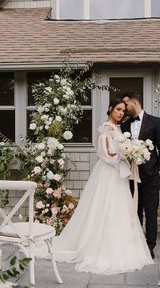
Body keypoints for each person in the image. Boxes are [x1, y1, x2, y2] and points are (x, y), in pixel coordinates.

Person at [54, 98, 153, 274]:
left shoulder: (117, 128)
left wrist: (129, 153)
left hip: (118, 175)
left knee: (119, 208)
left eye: (123, 110)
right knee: (105, 206)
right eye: (118, 109)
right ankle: (101, 246)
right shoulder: (106, 128)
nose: (121, 113)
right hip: (108, 173)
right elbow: (104, 153)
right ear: (110, 109)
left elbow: (117, 149)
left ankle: (121, 243)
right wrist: (124, 154)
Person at [121, 92, 160, 259]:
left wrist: (159, 170)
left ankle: (150, 247)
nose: (124, 109)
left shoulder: (155, 122)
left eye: (126, 105)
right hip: (131, 176)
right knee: (135, 211)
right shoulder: (125, 125)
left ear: (134, 103)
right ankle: (136, 244)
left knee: (151, 212)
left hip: (150, 175)